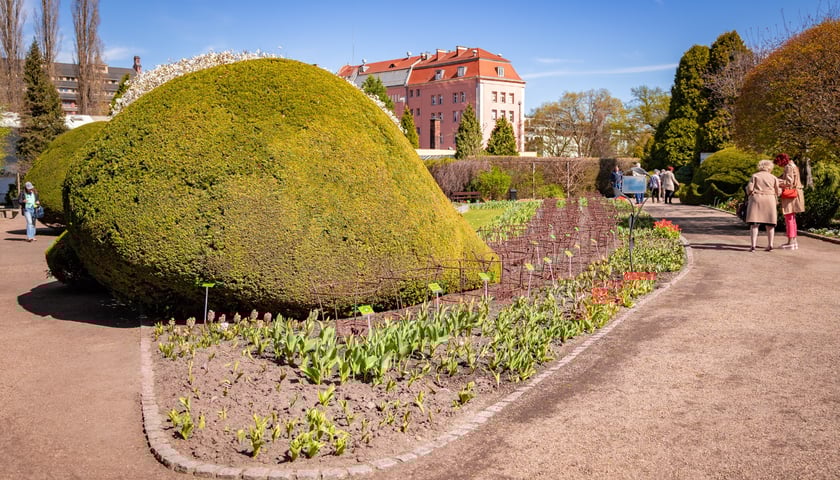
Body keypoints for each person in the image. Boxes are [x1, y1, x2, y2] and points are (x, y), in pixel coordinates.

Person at [745, 160, 781, 252]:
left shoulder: (755, 176)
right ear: (770, 167)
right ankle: (770, 244)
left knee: (754, 224)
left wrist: (749, 193)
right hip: (770, 200)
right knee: (770, 224)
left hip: (757, 199)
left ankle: (753, 245)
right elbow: (778, 191)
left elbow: (750, 188)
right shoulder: (773, 177)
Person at [774, 153, 805, 250]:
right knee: (792, 218)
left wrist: (775, 181)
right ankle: (793, 241)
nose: (779, 165)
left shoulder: (789, 167)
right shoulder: (793, 165)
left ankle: (790, 241)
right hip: (796, 193)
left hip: (791, 194)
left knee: (789, 218)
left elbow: (788, 182)